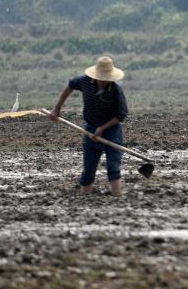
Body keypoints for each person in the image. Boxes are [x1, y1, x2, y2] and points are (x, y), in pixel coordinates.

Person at [49, 56, 129, 196]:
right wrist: (57, 108)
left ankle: (118, 197)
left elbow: (121, 115)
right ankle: (85, 196)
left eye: (106, 78)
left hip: (111, 131)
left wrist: (102, 128)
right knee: (88, 169)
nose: (103, 81)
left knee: (113, 168)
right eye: (101, 78)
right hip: (91, 129)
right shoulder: (84, 81)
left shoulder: (116, 90)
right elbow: (70, 85)